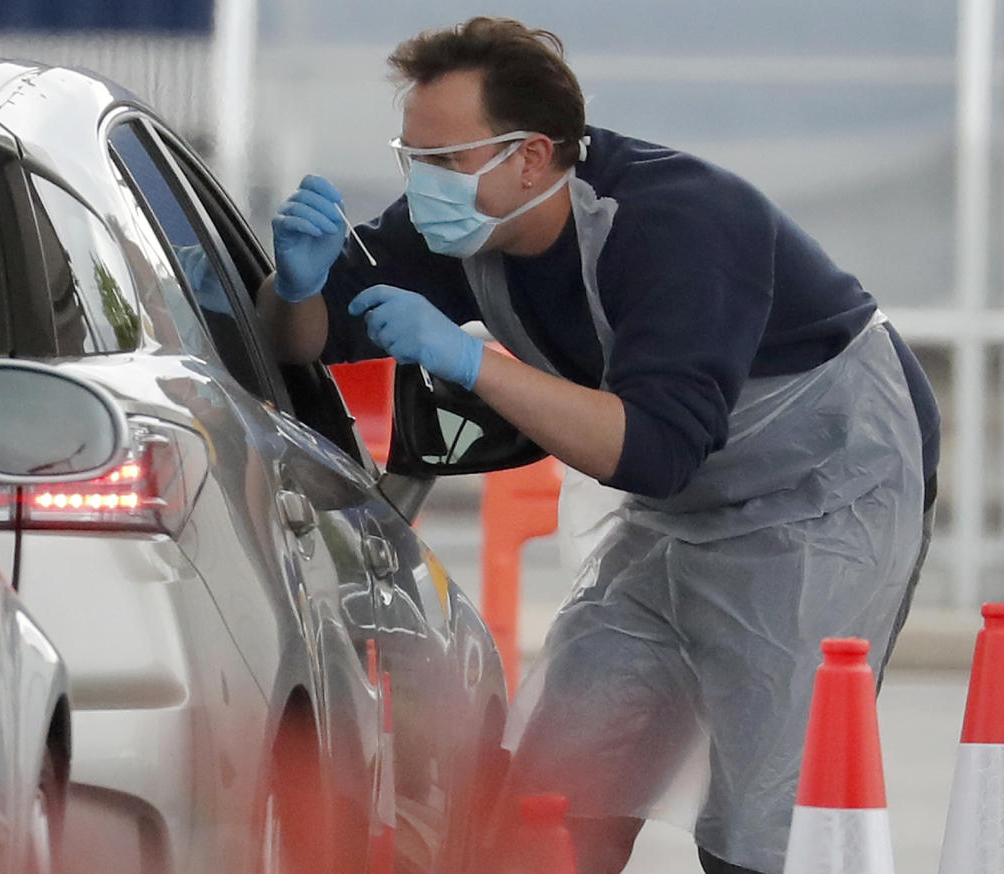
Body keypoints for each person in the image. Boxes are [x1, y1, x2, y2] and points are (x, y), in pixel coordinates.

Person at [256, 16, 939, 874]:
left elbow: (654, 452)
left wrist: (473, 360)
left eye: (444, 162)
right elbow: (305, 339)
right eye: (411, 156)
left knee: (767, 822)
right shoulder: (464, 228)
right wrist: (295, 283)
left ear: (532, 155)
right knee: (554, 794)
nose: (420, 182)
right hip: (676, 519)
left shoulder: (681, 227)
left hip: (822, 495)